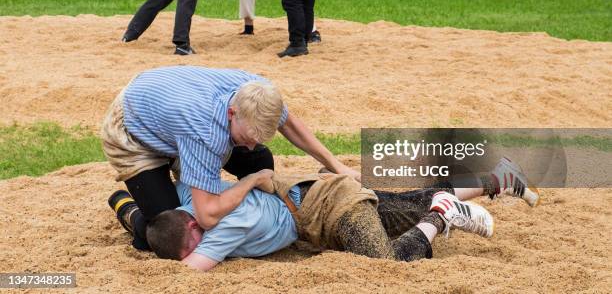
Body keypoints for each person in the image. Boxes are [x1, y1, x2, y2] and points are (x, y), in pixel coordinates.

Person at [102, 66, 361, 251]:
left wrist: (337, 166)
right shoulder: (205, 133)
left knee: (258, 158)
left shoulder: (258, 94)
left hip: (170, 109)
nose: (250, 144)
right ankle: (128, 208)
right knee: (167, 230)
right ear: (231, 112)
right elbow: (206, 217)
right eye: (246, 137)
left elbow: (290, 124)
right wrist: (250, 182)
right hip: (131, 128)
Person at [113, 156, 539, 269]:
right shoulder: (193, 197)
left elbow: (195, 268)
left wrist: (136, 219)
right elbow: (179, 171)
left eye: (196, 240)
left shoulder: (219, 226)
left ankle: (442, 214)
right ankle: (493, 180)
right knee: (406, 204)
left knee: (388, 262)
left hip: (330, 210)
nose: (203, 242)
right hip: (318, 192)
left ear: (190, 221)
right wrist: (127, 206)